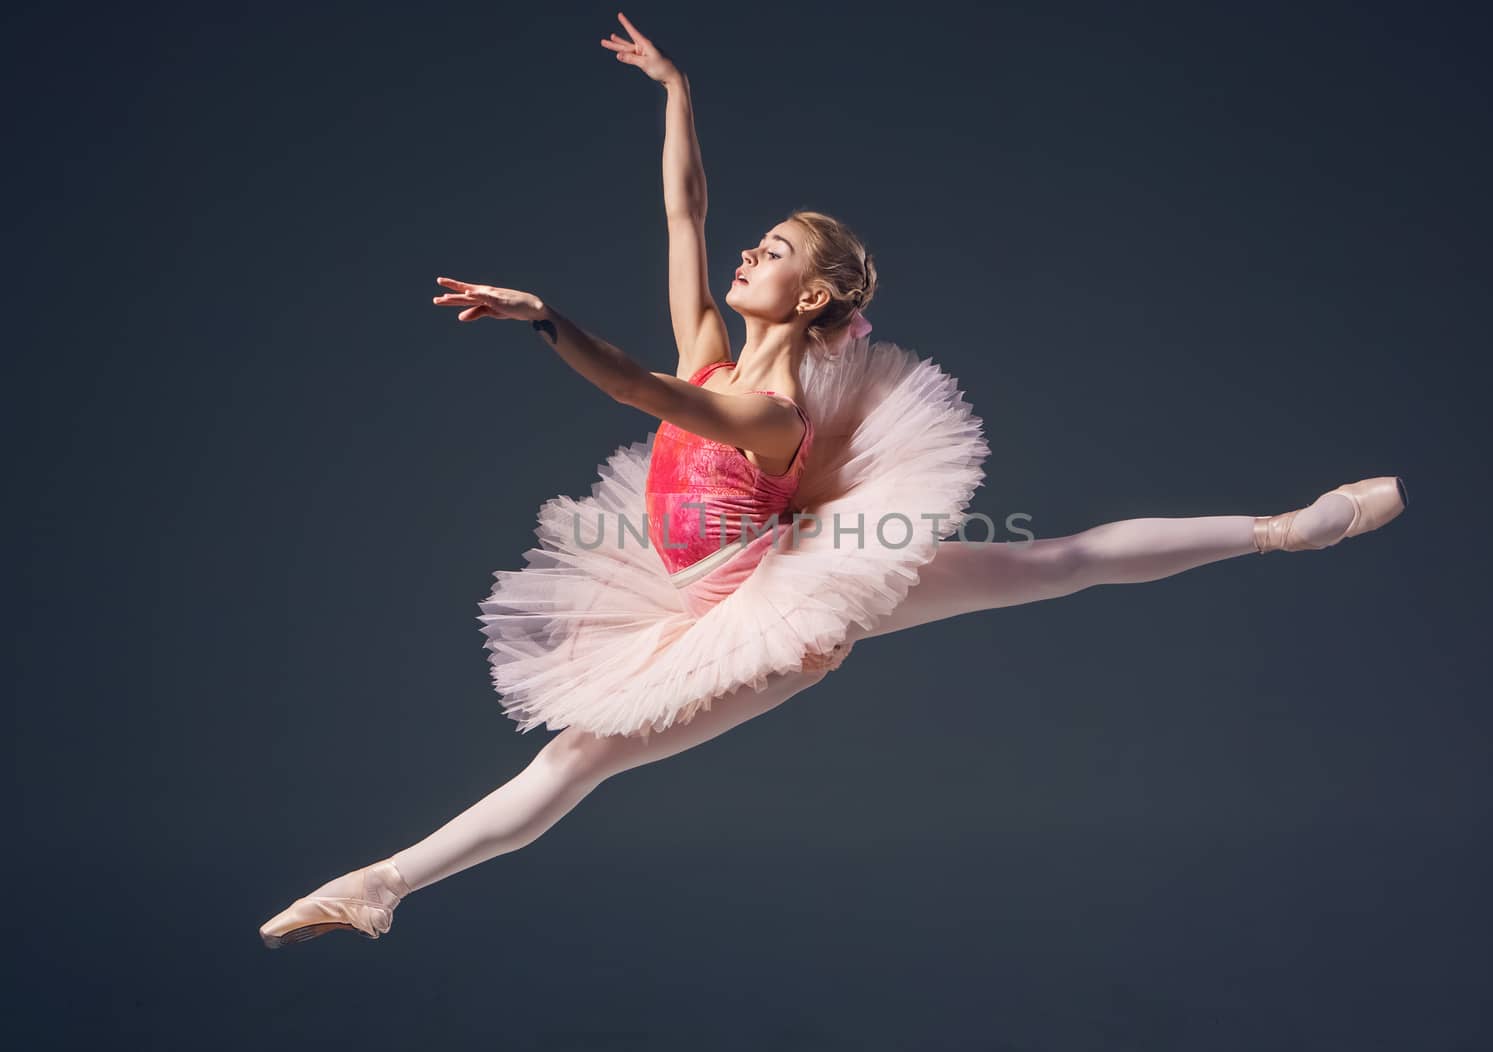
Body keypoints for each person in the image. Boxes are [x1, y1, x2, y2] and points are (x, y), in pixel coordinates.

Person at [258, 13, 1407, 948]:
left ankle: (1279, 530)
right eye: (756, 242)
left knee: (1044, 564)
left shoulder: (762, 408)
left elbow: (641, 395)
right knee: (1039, 566)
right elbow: (684, 211)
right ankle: (386, 885)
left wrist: (544, 316)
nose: (747, 254)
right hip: (699, 593)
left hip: (780, 605)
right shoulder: (713, 342)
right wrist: (676, 92)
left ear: (812, 298)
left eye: (776, 252)